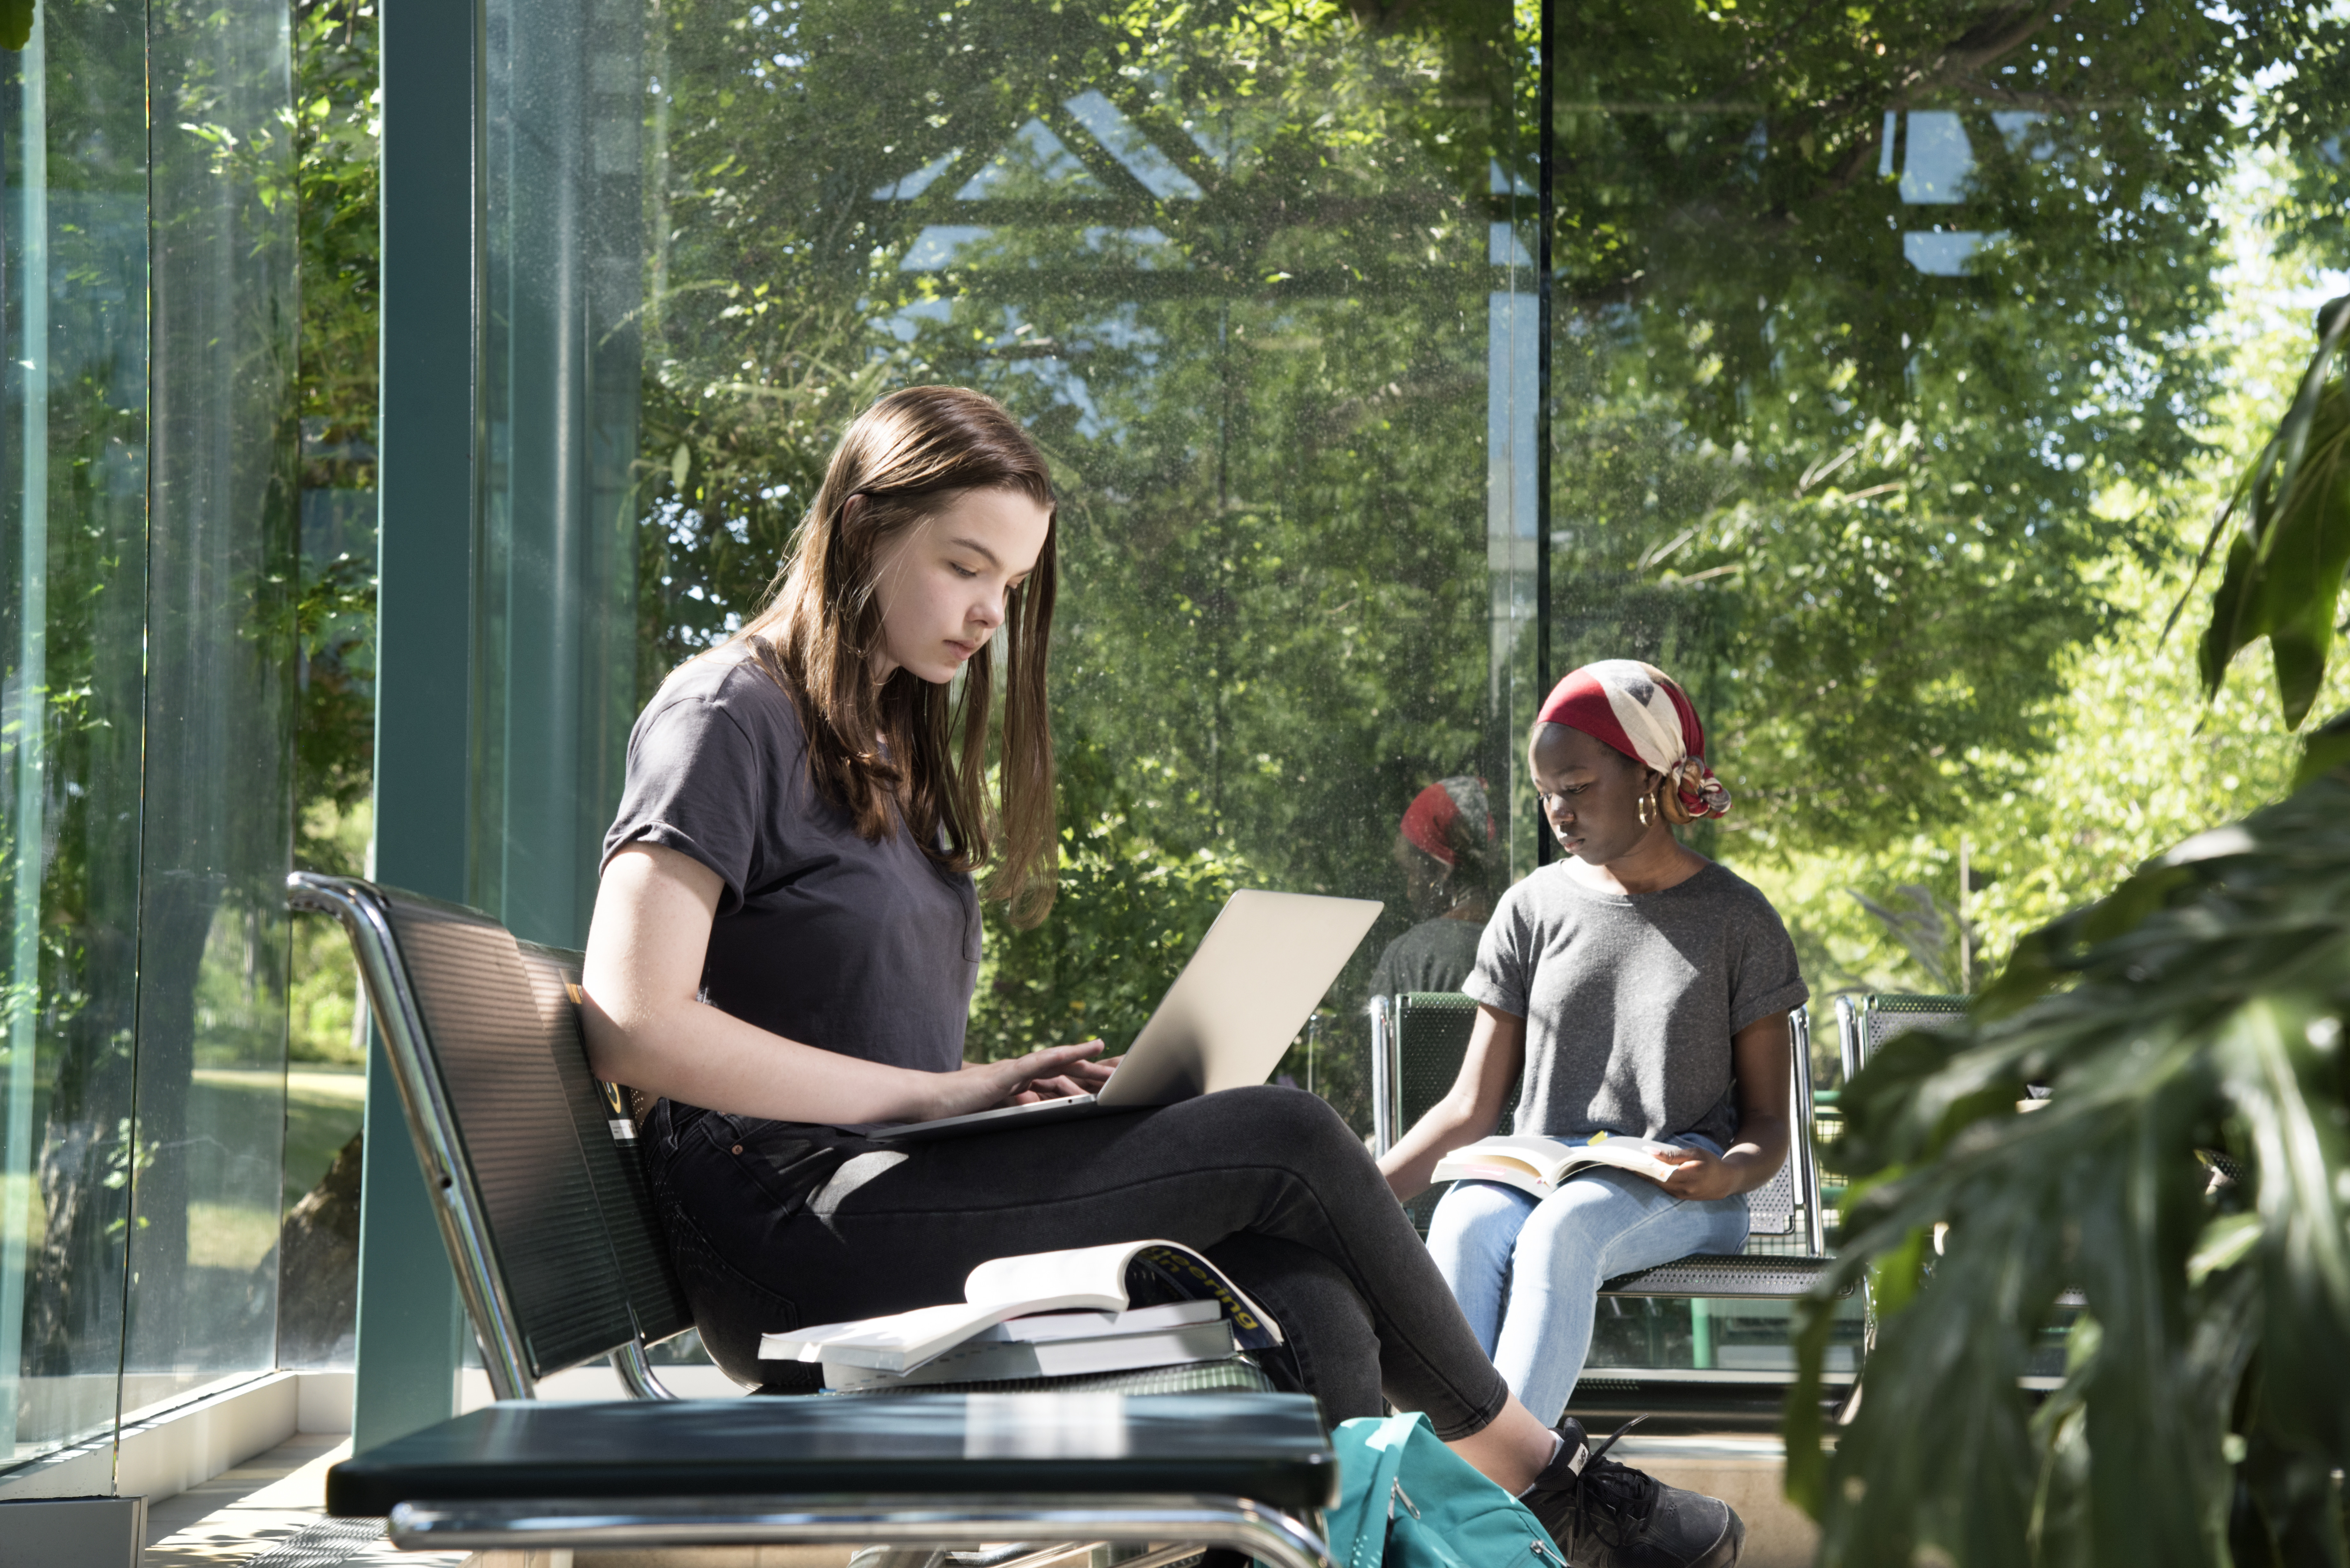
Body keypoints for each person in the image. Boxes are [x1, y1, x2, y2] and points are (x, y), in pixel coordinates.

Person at [581, 388, 1745, 1568]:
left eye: (1013, 584)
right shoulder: (728, 709)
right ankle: (1539, 1475)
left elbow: (862, 1033)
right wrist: (932, 1098)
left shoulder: (892, 748)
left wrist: (995, 1110)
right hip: (787, 1234)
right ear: (863, 531)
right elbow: (633, 1023)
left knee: (1309, 1293)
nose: (990, 612)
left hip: (880, 1189)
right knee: (1286, 1134)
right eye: (965, 566)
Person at [1377, 660, 1808, 1441]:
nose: (1558, 812)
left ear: (1648, 774)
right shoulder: (1530, 909)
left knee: (1564, 1227)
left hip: (1682, 1184)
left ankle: (1485, 1502)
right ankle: (1472, 1504)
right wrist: (1358, 1194)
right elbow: (1470, 1106)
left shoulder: (1737, 918)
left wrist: (1727, 1172)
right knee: (1466, 1219)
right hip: (1541, 1168)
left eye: (1576, 787)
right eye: (1546, 794)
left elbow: (1769, 1122)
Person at [1367, 775, 1495, 1002]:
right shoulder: (1520, 940)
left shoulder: (1411, 955)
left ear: (1441, 870)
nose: (1409, 891)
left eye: (1411, 872)